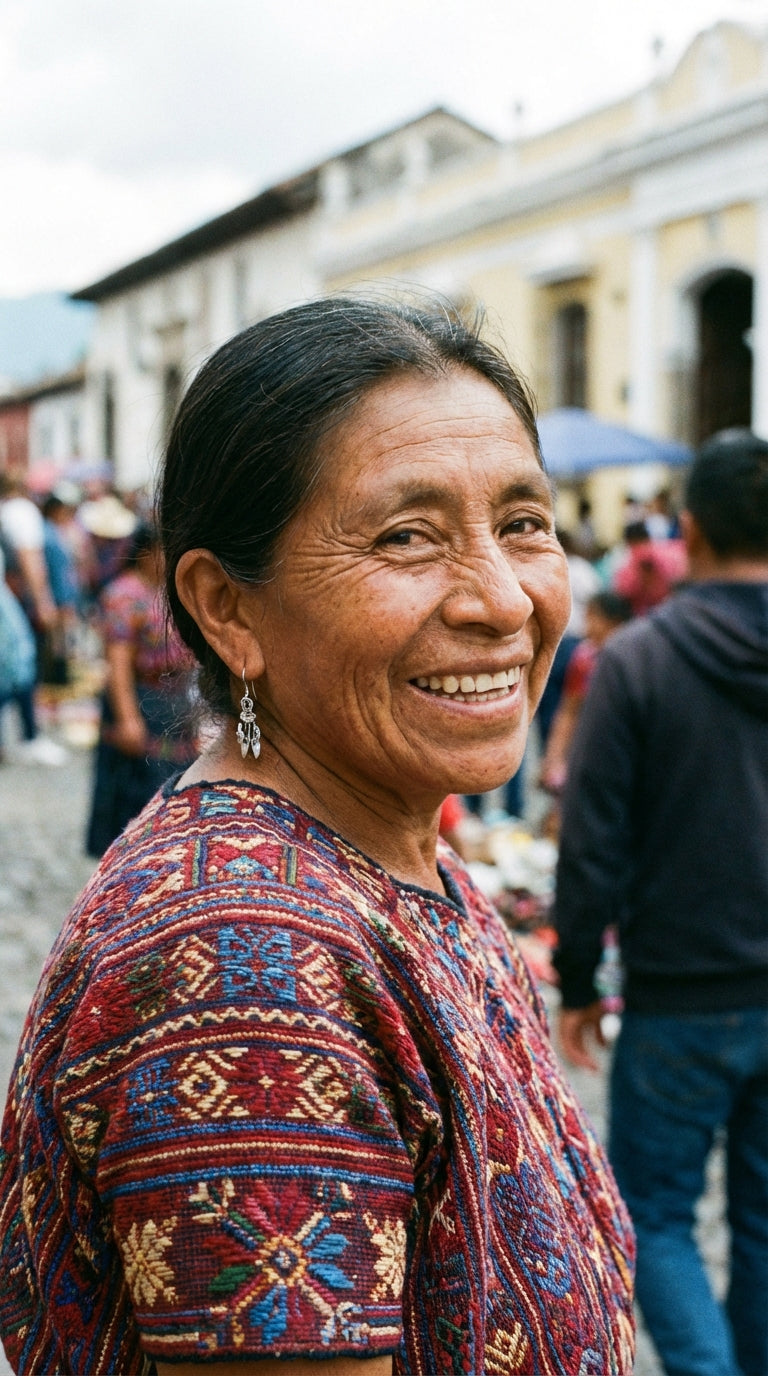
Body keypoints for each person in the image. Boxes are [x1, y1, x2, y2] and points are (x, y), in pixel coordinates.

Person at [0, 296, 635, 1376]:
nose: (502, 598)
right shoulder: (247, 963)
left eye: (525, 521)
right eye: (405, 536)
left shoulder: (388, 848)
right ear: (227, 608)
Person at [553, 428, 768, 1376]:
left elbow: (593, 841)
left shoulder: (639, 661)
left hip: (680, 994)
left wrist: (574, 979)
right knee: (764, 1221)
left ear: (689, 528)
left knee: (656, 1213)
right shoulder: (638, 657)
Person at [85, 520, 197, 857]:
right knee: (139, 790)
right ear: (148, 553)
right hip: (141, 702)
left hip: (173, 703)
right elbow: (117, 665)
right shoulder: (124, 595)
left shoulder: (166, 590)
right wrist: (128, 718)